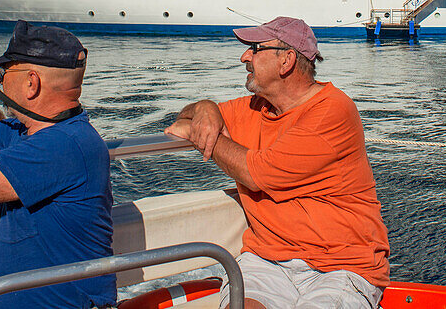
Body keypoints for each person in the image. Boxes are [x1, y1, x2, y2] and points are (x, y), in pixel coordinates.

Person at [165, 16, 390, 309]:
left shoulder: (333, 111)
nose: (244, 56)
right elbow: (185, 116)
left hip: (342, 267)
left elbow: (256, 174)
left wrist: (211, 136)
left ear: (286, 61)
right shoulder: (256, 107)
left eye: (255, 48)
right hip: (267, 260)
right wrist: (205, 108)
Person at [0, 20, 116, 309]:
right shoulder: (39, 133)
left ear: (31, 82)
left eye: (2, 72)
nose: (0, 80)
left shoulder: (63, 146)